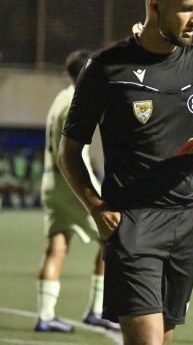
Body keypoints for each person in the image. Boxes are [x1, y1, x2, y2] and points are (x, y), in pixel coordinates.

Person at [58, 0, 193, 345]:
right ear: (155, 5)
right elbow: (69, 152)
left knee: (165, 337)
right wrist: (95, 207)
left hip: (188, 221)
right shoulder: (106, 68)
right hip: (133, 222)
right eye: (187, 9)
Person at [34, 50, 119, 333]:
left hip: (50, 183)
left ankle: (45, 316)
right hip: (69, 183)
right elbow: (72, 153)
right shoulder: (76, 101)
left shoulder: (60, 97)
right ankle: (97, 310)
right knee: (112, 238)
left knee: (56, 246)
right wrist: (96, 191)